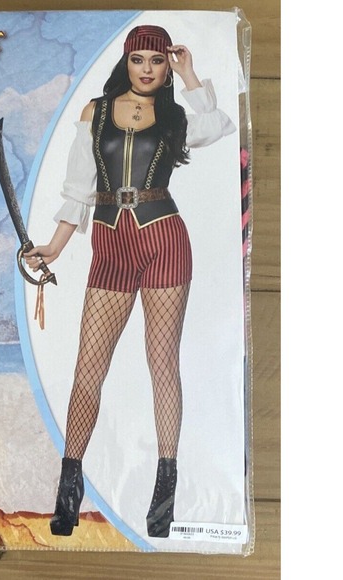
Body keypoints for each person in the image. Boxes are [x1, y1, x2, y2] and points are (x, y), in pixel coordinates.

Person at [25, 25, 236, 538]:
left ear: (166, 66)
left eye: (157, 60)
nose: (147, 68)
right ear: (126, 61)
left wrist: (190, 75)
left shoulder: (176, 116)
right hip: (110, 246)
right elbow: (78, 188)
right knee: (87, 370)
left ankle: (164, 493)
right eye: (139, 58)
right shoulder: (94, 111)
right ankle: (68, 489)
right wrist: (55, 246)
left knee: (162, 364)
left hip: (165, 239)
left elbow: (218, 124)